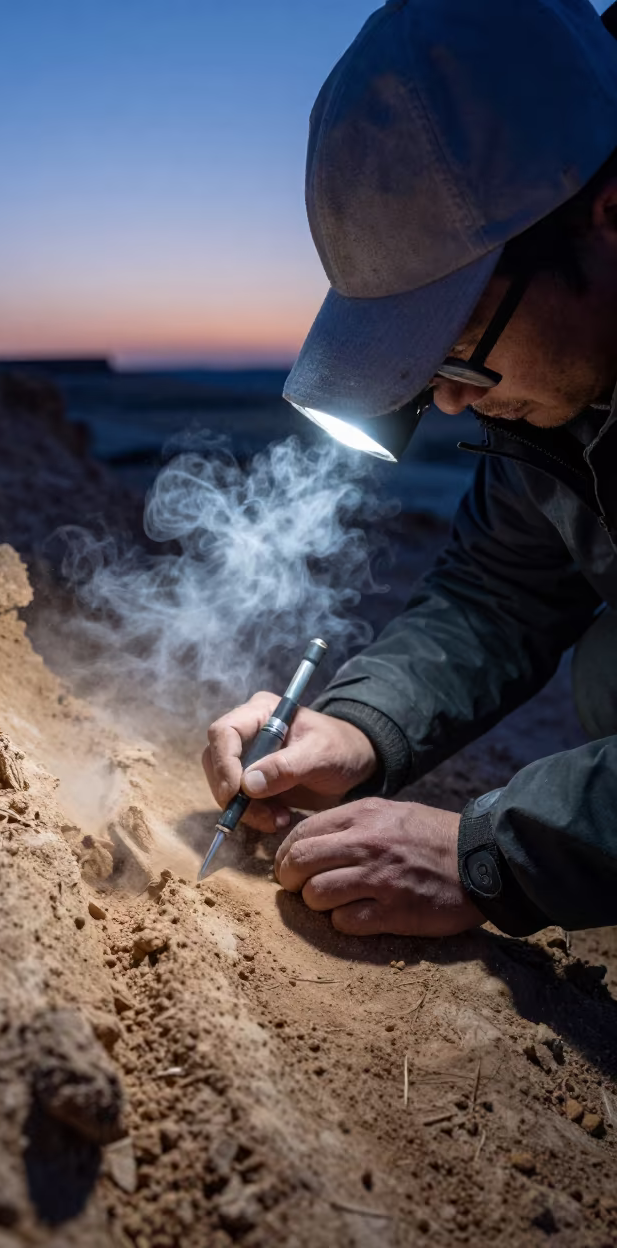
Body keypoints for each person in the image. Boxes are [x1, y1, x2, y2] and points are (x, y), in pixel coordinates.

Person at [203, 0, 617, 939]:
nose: (452, 404)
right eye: (423, 368)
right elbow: (501, 589)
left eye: (462, 351)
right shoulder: (569, 366)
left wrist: (492, 852)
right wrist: (357, 728)